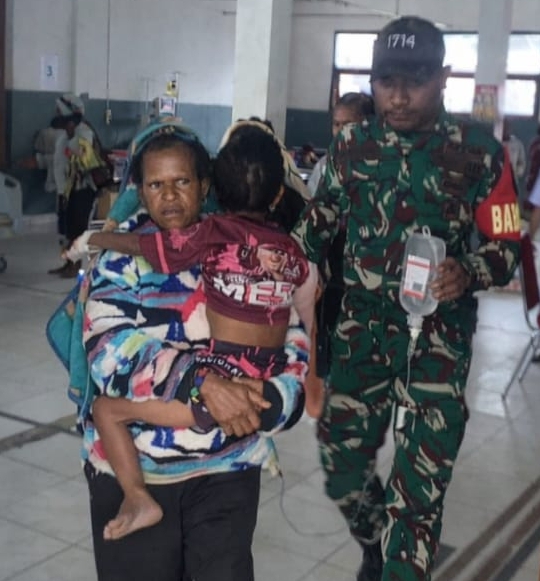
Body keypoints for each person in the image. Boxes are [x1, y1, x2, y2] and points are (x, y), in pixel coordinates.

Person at [292, 16, 521, 581]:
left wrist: (468, 270)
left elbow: (508, 245)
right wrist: (275, 266)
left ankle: (400, 562)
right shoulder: (351, 145)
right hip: (360, 333)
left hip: (438, 343)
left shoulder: (479, 152)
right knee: (342, 467)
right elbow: (316, 226)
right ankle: (378, 543)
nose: (397, 96)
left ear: (443, 77)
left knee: (418, 496)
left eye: (414, 82)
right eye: (385, 81)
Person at [81, 120, 308, 581]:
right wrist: (202, 382)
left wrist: (269, 402)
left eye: (182, 181)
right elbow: (108, 353)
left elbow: (294, 340)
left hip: (228, 470)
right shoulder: (122, 260)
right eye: (155, 185)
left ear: (205, 186)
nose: (169, 195)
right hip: (139, 470)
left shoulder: (245, 245)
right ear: (140, 191)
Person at [47, 93, 104, 278]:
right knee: (66, 229)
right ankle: (68, 262)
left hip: (81, 189)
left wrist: (72, 135)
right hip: (66, 190)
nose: (56, 113)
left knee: (76, 229)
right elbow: (59, 161)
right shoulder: (63, 135)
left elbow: (83, 157)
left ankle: (76, 265)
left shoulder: (84, 132)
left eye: (59, 110)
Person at [307, 92, 375, 196]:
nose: (340, 131)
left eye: (348, 124)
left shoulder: (382, 164)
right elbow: (311, 199)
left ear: (366, 125)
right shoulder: (324, 165)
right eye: (336, 124)